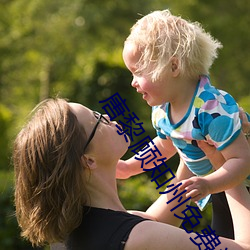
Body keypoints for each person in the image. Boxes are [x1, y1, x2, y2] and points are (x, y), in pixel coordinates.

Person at [13, 98, 250, 250]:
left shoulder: (80, 233)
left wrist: (191, 133)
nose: (108, 117)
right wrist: (228, 165)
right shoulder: (138, 238)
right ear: (88, 160)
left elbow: (155, 219)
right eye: (98, 120)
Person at [119, 9, 250, 238]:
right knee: (153, 222)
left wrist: (208, 184)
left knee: (230, 240)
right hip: (215, 184)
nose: (133, 82)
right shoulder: (162, 109)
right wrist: (130, 166)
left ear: (173, 67)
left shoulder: (211, 109)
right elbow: (165, 145)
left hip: (239, 185)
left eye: (138, 72)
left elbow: (242, 160)